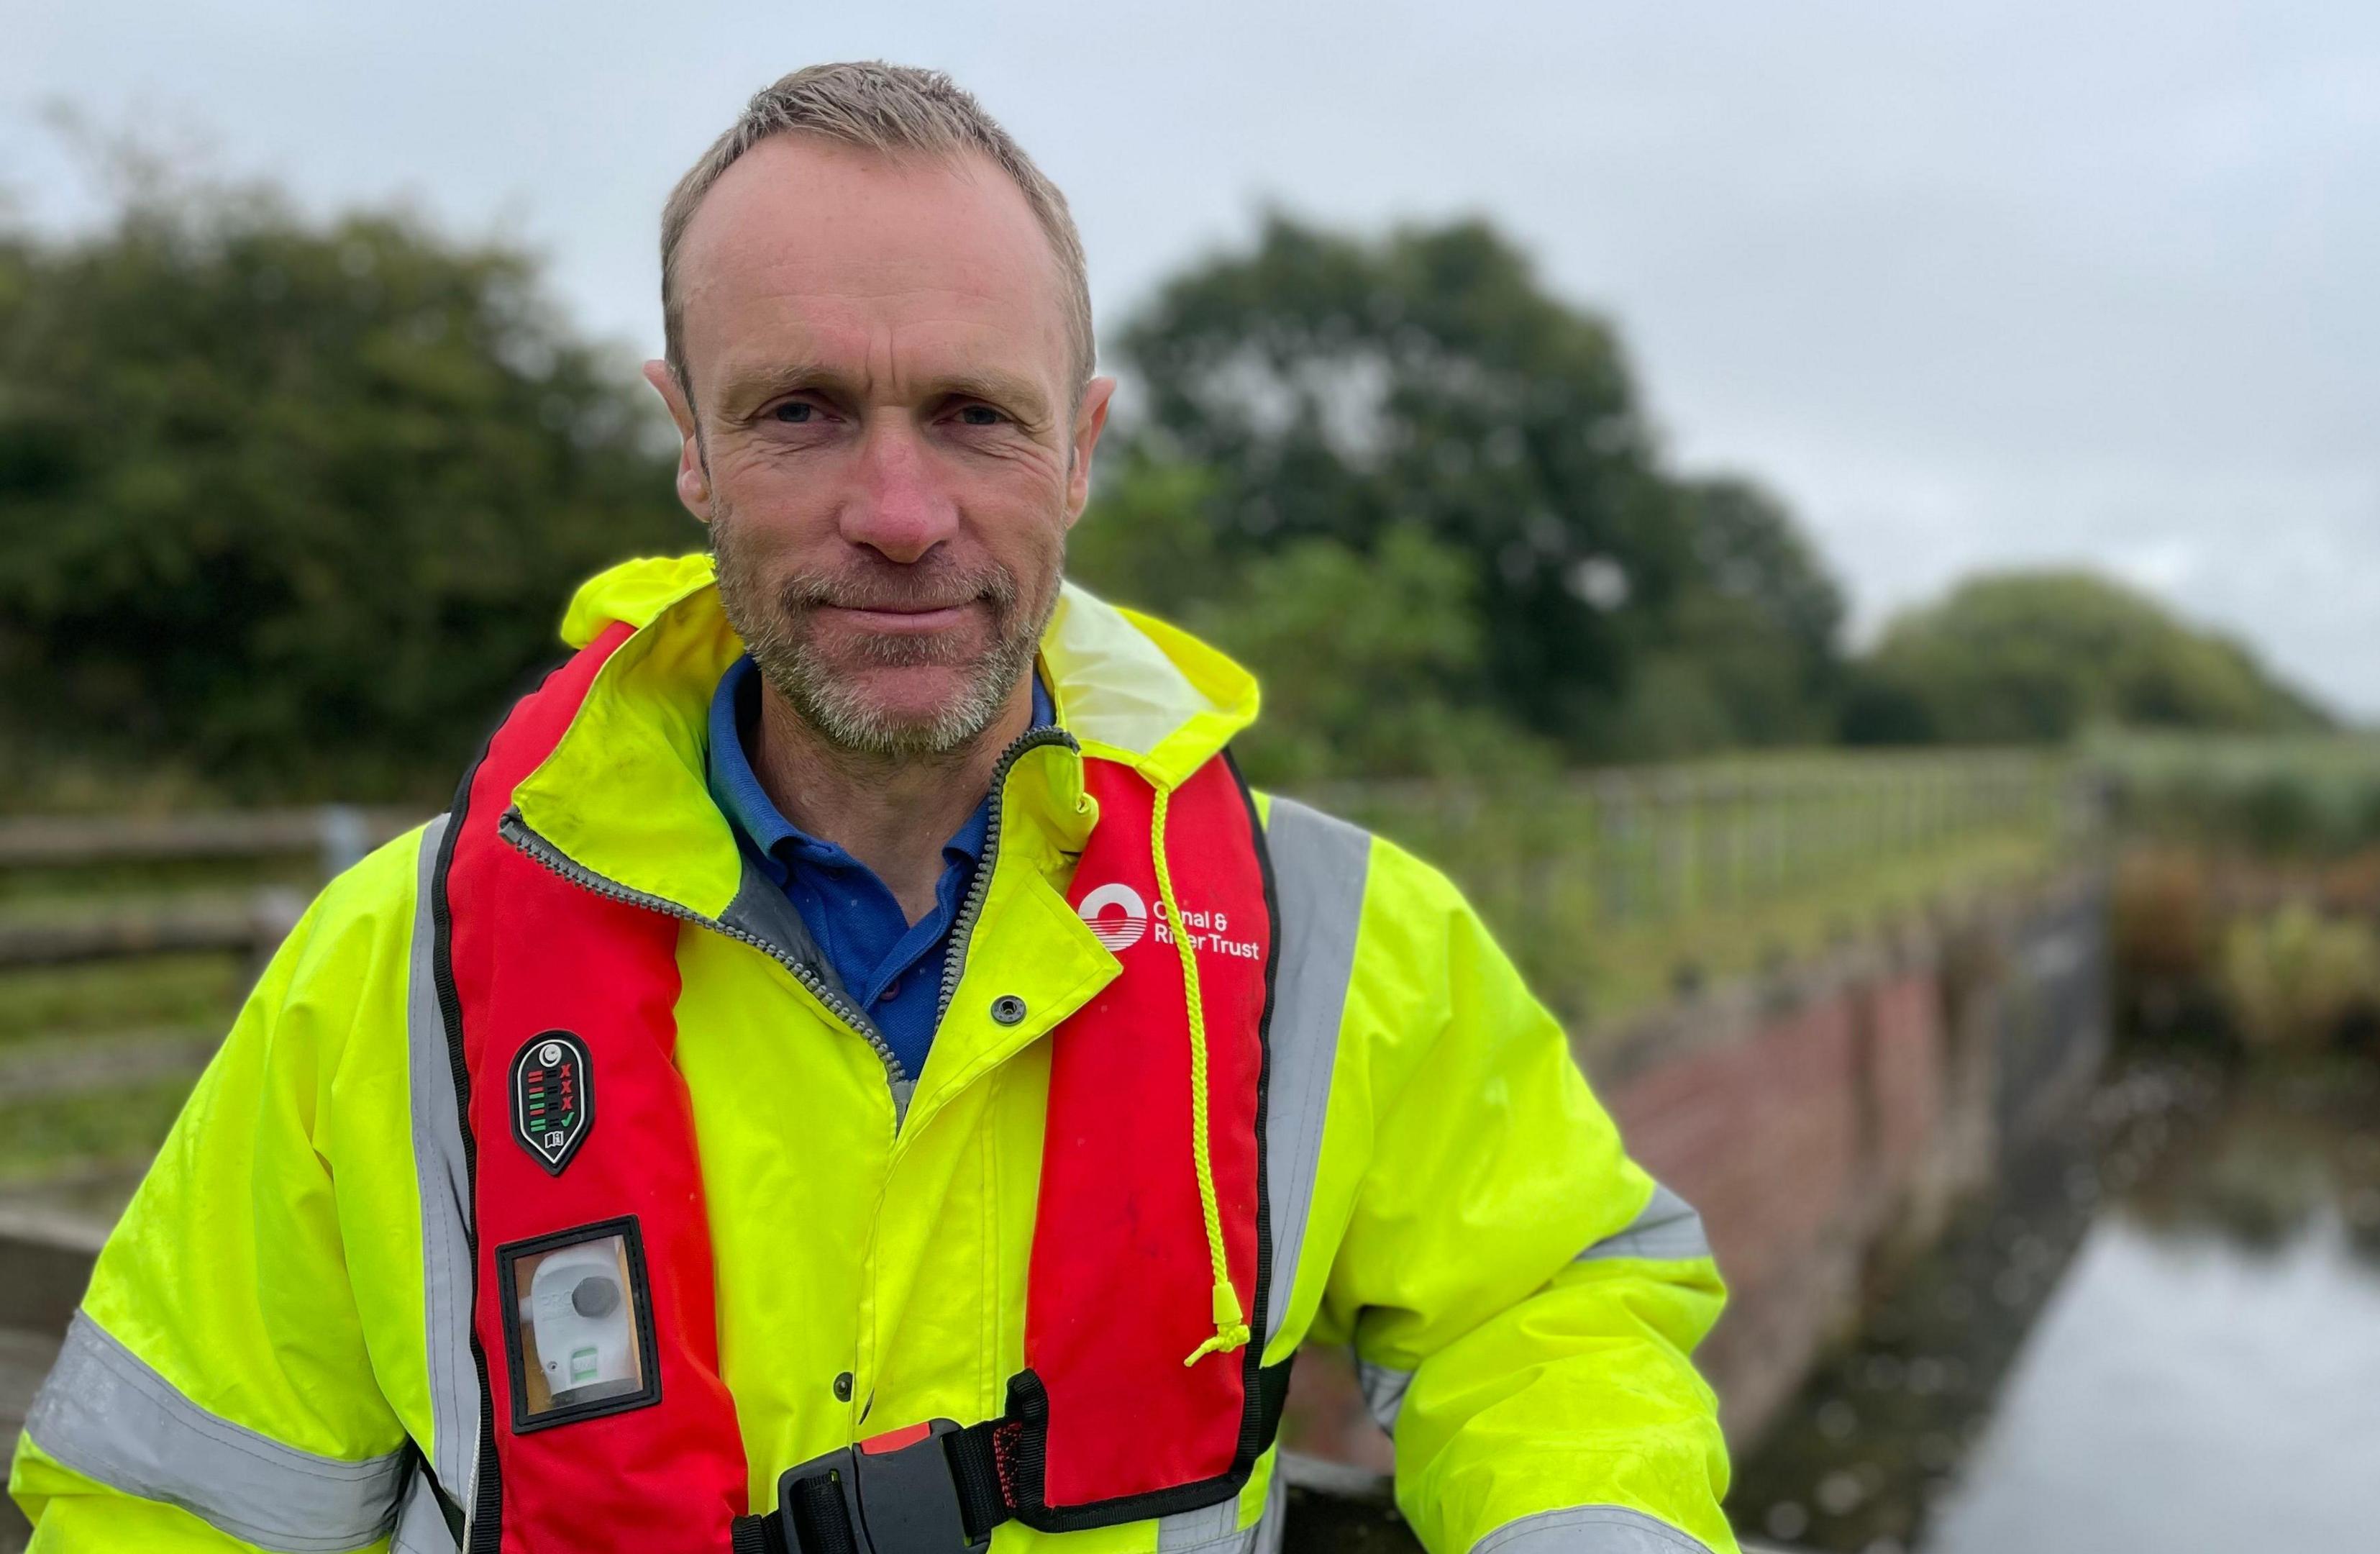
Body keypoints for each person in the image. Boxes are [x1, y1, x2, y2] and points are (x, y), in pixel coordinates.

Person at [7, 63, 1731, 1554]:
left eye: (975, 416)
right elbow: (178, 1502)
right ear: (691, 442)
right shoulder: (387, 978)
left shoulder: (1339, 949)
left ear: (1083, 452)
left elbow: (1546, 1311)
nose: (899, 512)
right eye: (804, 413)